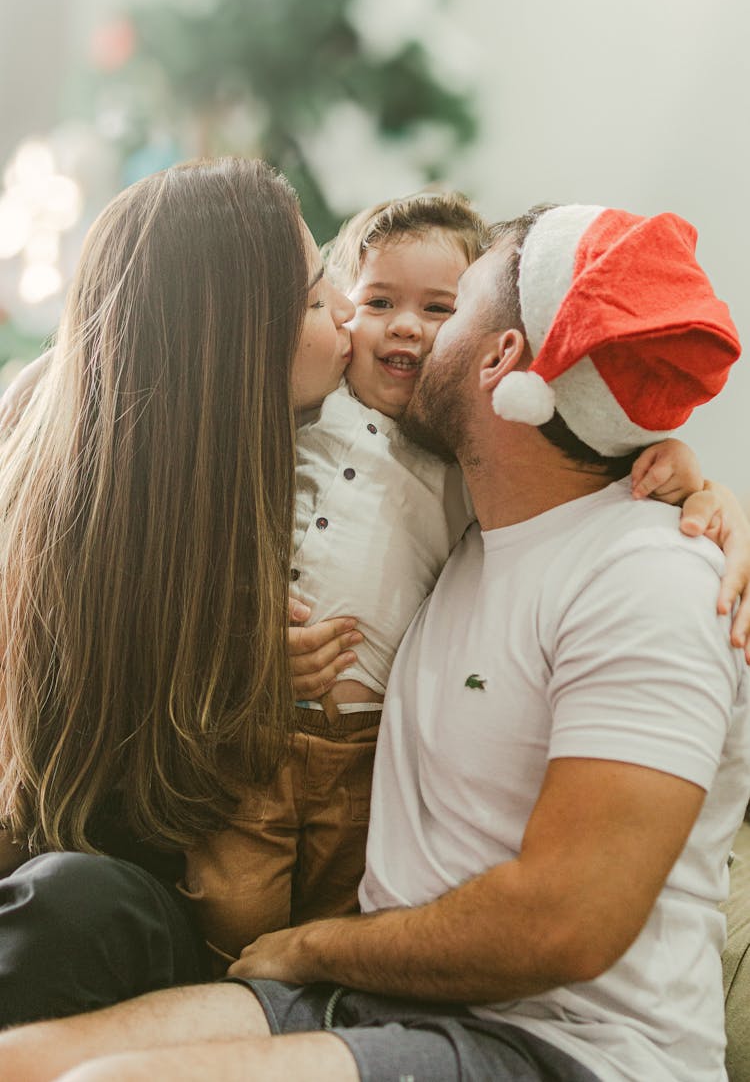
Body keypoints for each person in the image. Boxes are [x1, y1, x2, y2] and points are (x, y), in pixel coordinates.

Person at [2, 203, 748, 1082]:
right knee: (23, 1059)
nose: (377, 325)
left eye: (455, 301)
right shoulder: (475, 532)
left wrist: (316, 945)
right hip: (383, 998)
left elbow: (565, 922)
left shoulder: (655, 578)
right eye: (349, 298)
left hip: (566, 1049)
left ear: (503, 359)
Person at [178, 191, 713, 964]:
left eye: (442, 308)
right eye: (379, 302)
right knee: (228, 898)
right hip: (253, 720)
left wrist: (693, 479)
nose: (407, 327)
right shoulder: (302, 410)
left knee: (336, 896)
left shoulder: (470, 475)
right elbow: (206, 523)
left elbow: (575, 472)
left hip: (358, 748)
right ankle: (224, 982)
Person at [0, 156, 361, 1024]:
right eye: (316, 302)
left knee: (72, 905)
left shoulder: (364, 435)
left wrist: (693, 487)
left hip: (159, 893)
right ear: (233, 347)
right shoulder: (48, 429)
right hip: (46, 821)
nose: (348, 311)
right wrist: (223, 661)